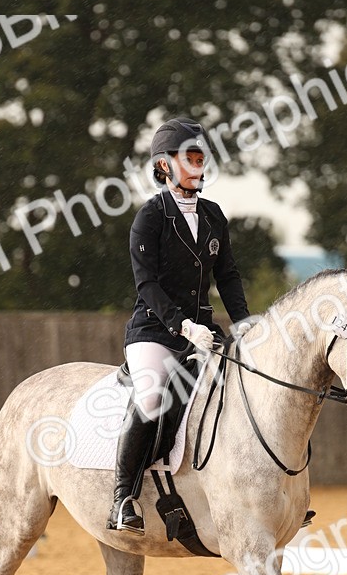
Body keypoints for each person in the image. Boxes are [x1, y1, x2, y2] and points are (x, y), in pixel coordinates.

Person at [106, 117, 252, 533]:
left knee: (243, 390)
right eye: (189, 156)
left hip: (203, 332)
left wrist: (244, 324)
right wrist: (183, 326)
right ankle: (122, 499)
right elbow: (146, 284)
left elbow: (228, 277)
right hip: (154, 332)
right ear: (165, 165)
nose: (198, 163)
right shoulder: (149, 218)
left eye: (200, 156)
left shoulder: (213, 215)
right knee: (152, 399)